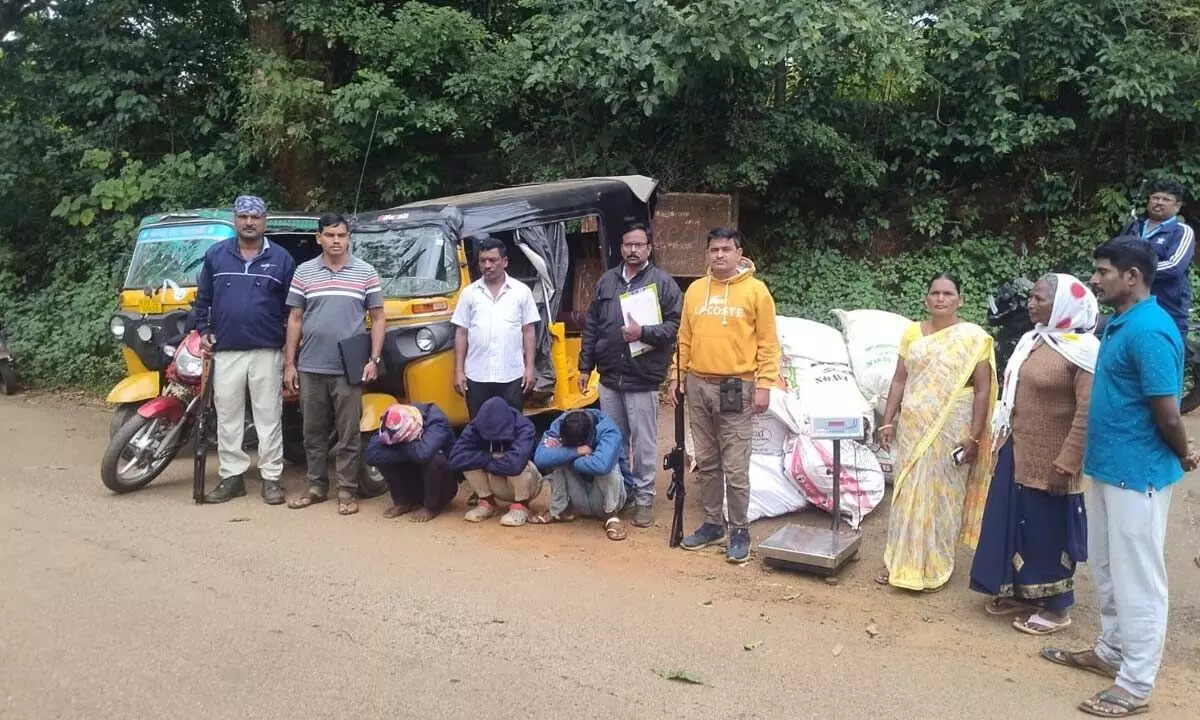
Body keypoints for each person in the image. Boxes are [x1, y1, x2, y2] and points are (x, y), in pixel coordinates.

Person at [1043, 237, 1199, 718]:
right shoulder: (1120, 324)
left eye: (1104, 271)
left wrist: (1184, 453)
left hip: (1139, 473)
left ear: (1132, 277)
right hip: (1110, 468)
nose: (1095, 279)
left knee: (1140, 579)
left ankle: (1136, 683)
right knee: (1108, 569)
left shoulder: (1150, 330)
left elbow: (1168, 412)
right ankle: (1111, 652)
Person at [969, 273, 1099, 635]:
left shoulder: (1083, 351)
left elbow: (1088, 413)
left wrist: (1068, 462)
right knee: (1015, 521)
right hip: (1018, 450)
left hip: (1054, 459)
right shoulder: (1035, 341)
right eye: (1032, 297)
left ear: (1062, 306)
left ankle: (1058, 608)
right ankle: (1022, 592)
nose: (1030, 303)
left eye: (1039, 299)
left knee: (1048, 530)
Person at [875, 273, 996, 592]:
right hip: (914, 425)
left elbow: (982, 390)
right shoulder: (912, 332)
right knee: (906, 493)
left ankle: (935, 565)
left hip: (952, 427)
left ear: (960, 300)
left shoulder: (973, 337)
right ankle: (900, 562)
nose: (941, 298)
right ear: (926, 299)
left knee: (944, 495)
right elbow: (900, 379)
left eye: (948, 293)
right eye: (935, 293)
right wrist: (887, 420)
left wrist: (974, 436)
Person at [667, 227, 780, 564]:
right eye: (714, 249)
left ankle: (740, 529)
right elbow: (684, 337)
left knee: (735, 464)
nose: (719, 255)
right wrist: (677, 376)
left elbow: (768, 343)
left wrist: (764, 385)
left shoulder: (756, 292)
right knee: (708, 460)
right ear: (708, 254)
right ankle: (713, 524)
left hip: (737, 386)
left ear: (738, 252)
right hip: (697, 383)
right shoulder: (695, 291)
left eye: (726, 249)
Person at [577, 223, 682, 528]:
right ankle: (623, 493)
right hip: (609, 377)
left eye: (639, 245)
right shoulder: (607, 281)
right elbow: (592, 325)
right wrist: (586, 366)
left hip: (642, 377)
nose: (632, 250)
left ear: (649, 248)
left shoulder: (663, 283)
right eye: (627, 245)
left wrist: (643, 332)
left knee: (645, 443)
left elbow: (675, 326)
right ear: (620, 248)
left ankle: (645, 499)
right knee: (614, 440)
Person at [193, 195, 296, 505]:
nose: (249, 222)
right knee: (227, 416)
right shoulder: (216, 255)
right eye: (243, 216)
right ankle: (231, 477)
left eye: (255, 216)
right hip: (226, 350)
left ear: (265, 221)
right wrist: (203, 330)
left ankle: (271, 478)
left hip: (267, 349)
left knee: (269, 416)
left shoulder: (282, 259)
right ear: (235, 220)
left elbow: (293, 310)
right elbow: (203, 300)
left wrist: (290, 352)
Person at [283, 212, 386, 516]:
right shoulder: (304, 272)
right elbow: (295, 319)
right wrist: (290, 363)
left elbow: (378, 318)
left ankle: (347, 490)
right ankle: (316, 486)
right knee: (312, 432)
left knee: (349, 433)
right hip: (311, 365)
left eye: (341, 235)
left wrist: (374, 359)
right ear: (319, 238)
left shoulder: (365, 272)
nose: (336, 241)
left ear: (348, 238)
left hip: (349, 367)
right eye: (330, 235)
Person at [451, 236, 540, 418]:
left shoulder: (521, 291)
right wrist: (459, 371)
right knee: (479, 429)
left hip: (512, 375)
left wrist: (530, 368)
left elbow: (528, 331)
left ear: (504, 262)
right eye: (483, 261)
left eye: (493, 260)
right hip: (476, 376)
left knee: (512, 428)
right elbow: (461, 333)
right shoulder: (469, 294)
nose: (487, 265)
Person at [530, 409, 636, 540]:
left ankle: (611, 517)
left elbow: (601, 466)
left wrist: (567, 456)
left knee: (609, 464)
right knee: (558, 460)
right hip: (579, 497)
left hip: (607, 497)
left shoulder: (608, 429)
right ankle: (560, 510)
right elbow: (540, 458)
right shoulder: (561, 423)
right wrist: (577, 451)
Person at [447, 396, 541, 526]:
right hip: (495, 478)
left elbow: (515, 465)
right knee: (468, 464)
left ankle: (522, 506)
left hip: (526, 483)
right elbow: (455, 459)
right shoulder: (477, 425)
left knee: (522, 466)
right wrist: (490, 457)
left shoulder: (524, 427)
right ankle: (488, 503)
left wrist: (485, 463)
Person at [1120, 179, 1194, 339]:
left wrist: (1134, 273)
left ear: (1177, 206)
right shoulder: (1134, 227)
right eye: (1155, 198)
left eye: (1166, 199)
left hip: (1168, 306)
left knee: (1165, 354)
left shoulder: (1181, 232)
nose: (1159, 203)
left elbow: (1174, 266)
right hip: (1131, 304)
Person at [363, 403, 458, 523]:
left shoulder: (437, 421)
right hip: (415, 475)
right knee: (383, 458)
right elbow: (371, 455)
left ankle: (432, 506)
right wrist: (401, 443)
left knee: (434, 458)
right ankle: (403, 501)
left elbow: (423, 454)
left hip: (442, 485)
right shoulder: (394, 418)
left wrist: (398, 443)